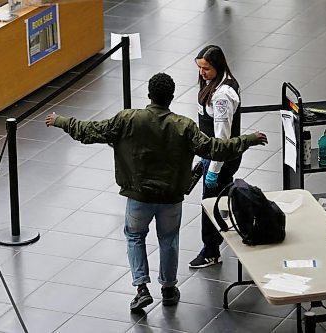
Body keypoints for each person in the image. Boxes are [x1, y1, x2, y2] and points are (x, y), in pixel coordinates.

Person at [45, 72, 268, 312]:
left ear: (149, 95)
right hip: (171, 199)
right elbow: (216, 149)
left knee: (134, 237)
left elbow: (89, 131)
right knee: (169, 240)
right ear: (171, 97)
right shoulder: (184, 126)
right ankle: (169, 289)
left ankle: (141, 288)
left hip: (138, 197)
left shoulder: (128, 119)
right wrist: (248, 139)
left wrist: (61, 121)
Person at [189, 45, 242, 269]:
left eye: (207, 68)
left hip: (220, 158)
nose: (202, 73)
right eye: (200, 68)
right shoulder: (215, 82)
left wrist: (213, 170)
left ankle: (211, 251)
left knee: (209, 203)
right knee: (222, 196)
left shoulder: (223, 96)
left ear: (218, 67)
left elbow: (222, 137)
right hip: (211, 154)